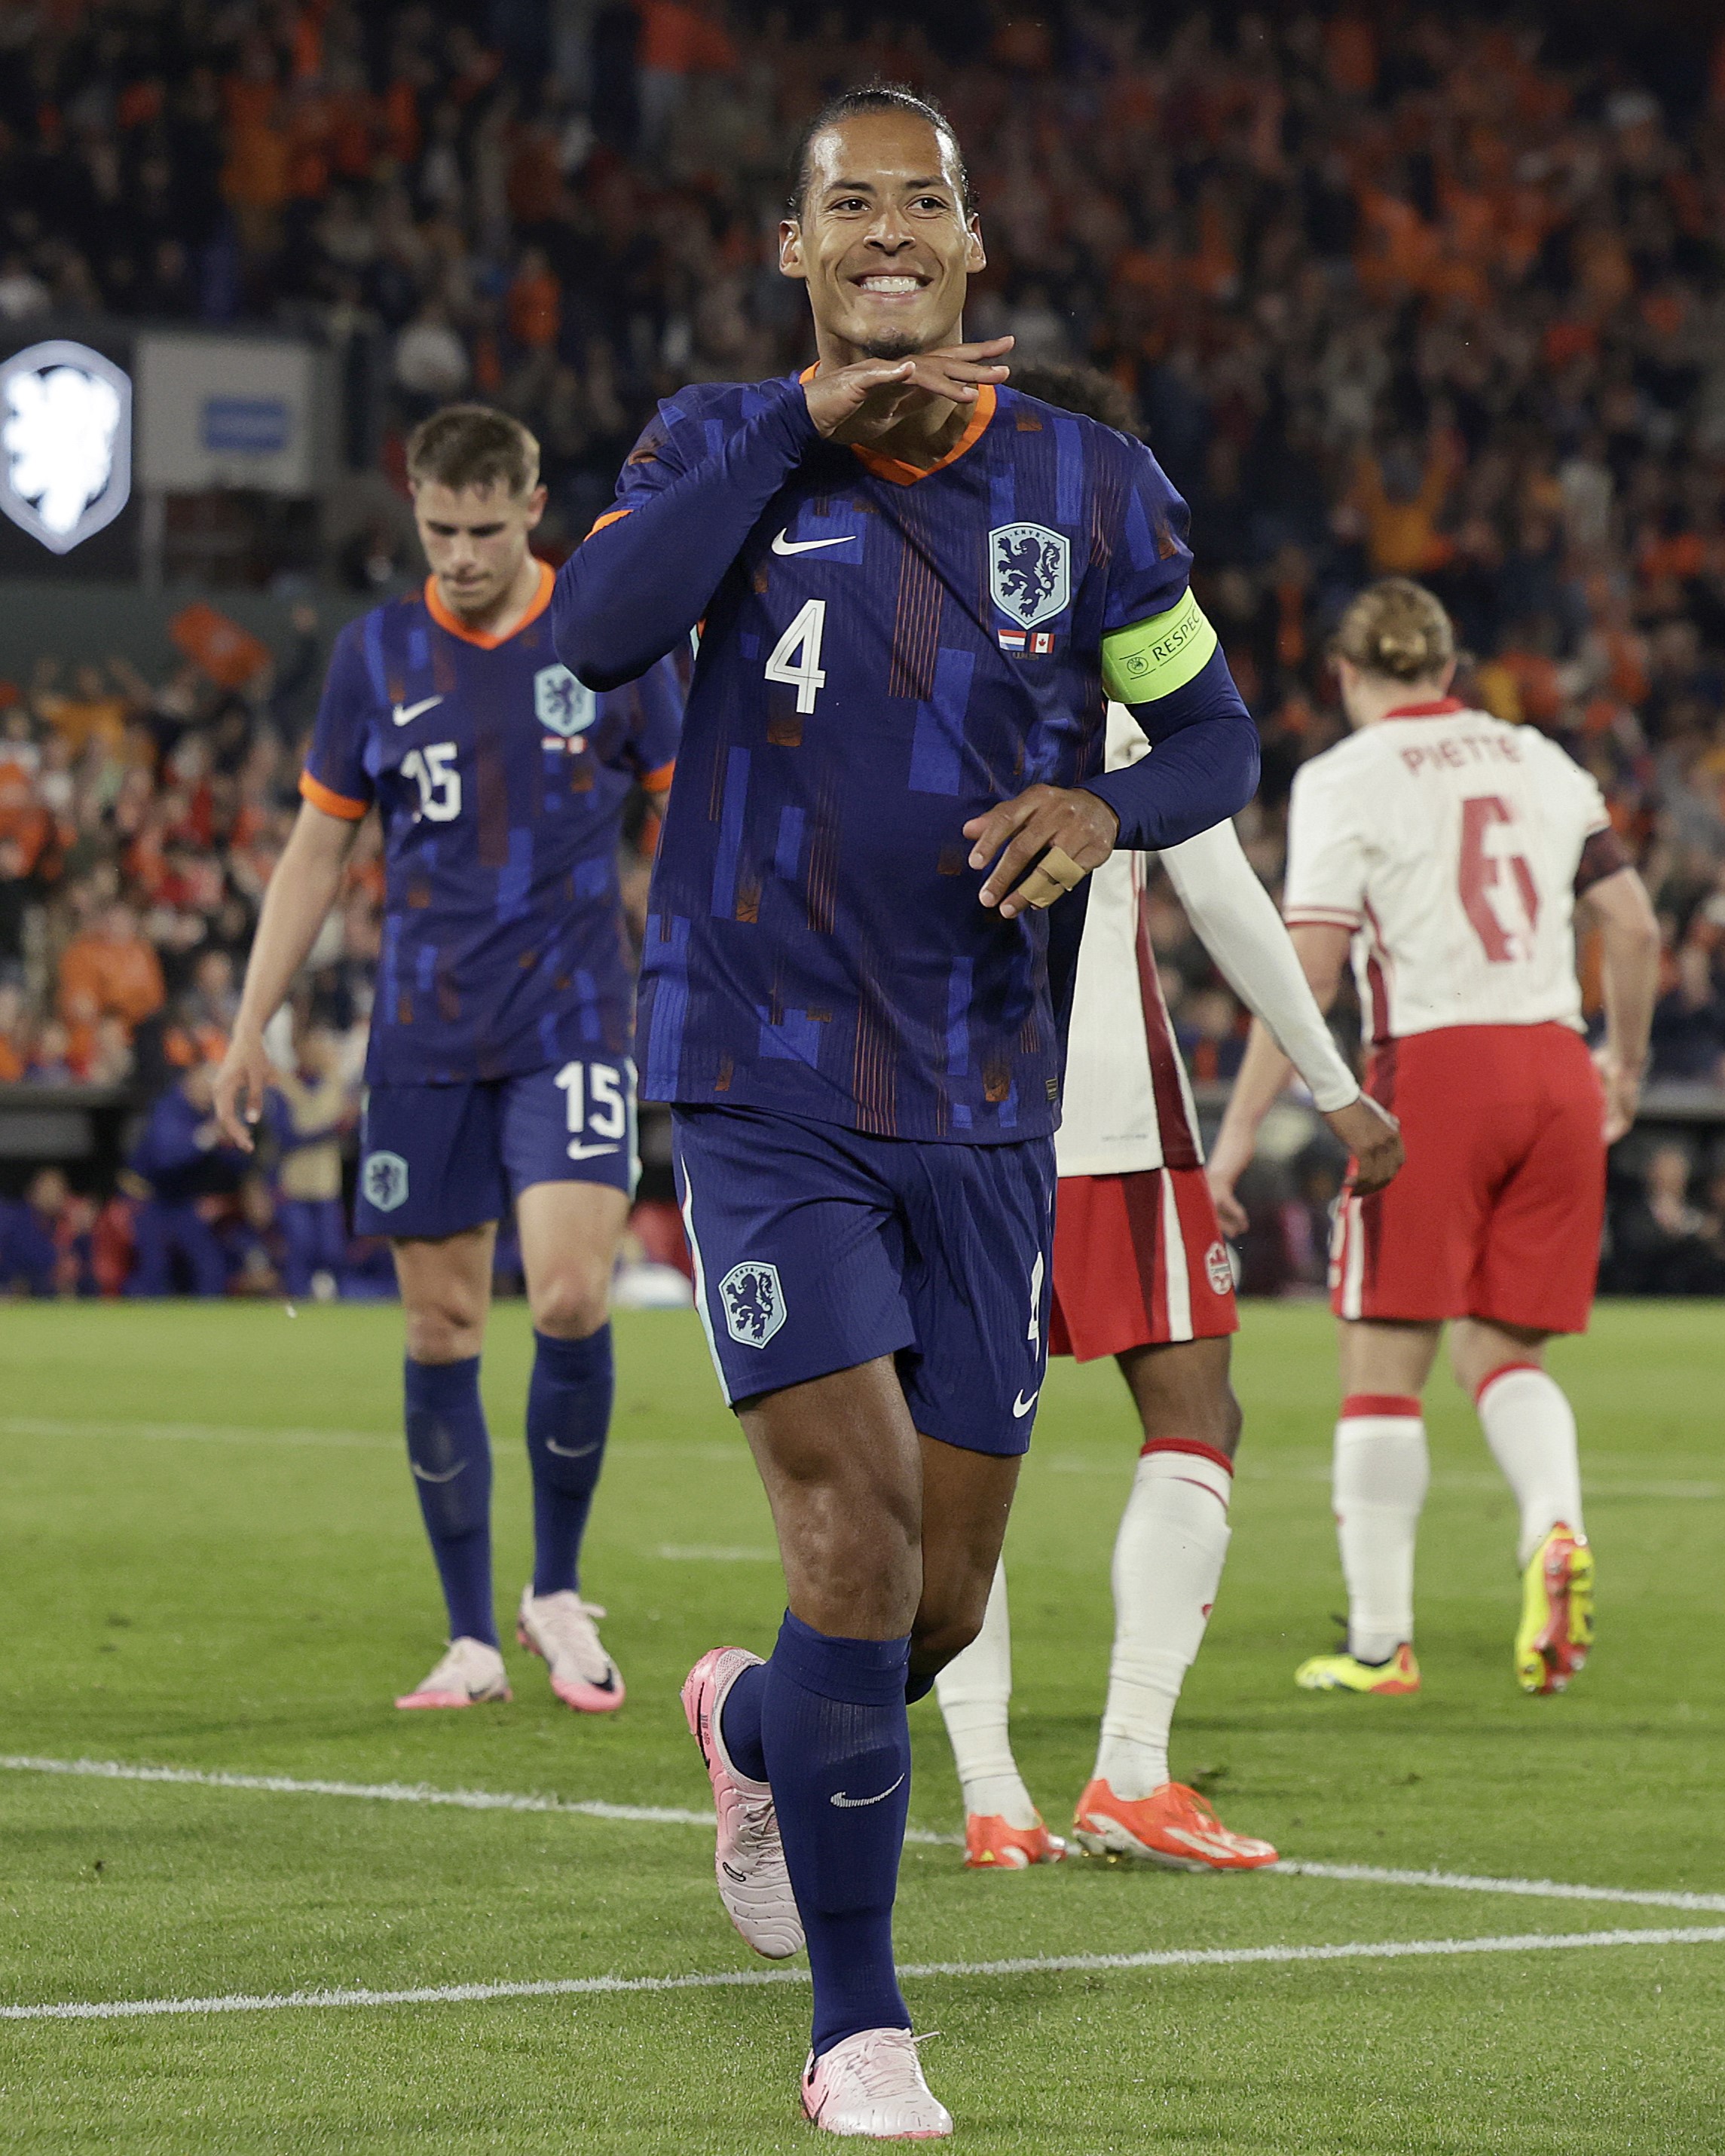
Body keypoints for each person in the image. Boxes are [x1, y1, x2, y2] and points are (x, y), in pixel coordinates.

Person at [555, 87, 1260, 2141]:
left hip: (979, 1095)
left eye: (918, 202)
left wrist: (1106, 801)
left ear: (970, 249)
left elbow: (1214, 726)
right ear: (799, 253)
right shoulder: (711, 441)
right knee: (853, 1540)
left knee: (932, 1602)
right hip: (761, 1073)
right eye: (843, 203)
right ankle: (860, 2023)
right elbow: (594, 639)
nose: (882, 226)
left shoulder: (1092, 486)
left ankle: (752, 1722)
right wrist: (799, 421)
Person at [929, 365, 1403, 1875]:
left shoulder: (922, 616)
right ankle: (1127, 1762)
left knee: (951, 1443)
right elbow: (1216, 881)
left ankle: (995, 1791)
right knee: (1192, 1413)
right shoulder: (1112, 638)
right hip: (1103, 1109)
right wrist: (1332, 1086)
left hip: (935, 1096)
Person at [216, 403, 681, 1717]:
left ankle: (557, 1590)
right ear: (413, 511)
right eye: (439, 529)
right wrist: (251, 1021)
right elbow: (318, 850)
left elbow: (688, 814)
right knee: (439, 1323)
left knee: (575, 1295)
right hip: (422, 1030)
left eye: (484, 527)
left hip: (572, 1016)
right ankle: (471, 1635)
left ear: (531, 506)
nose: (462, 552)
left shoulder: (606, 641)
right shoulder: (376, 655)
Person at [1207, 578, 1660, 1698]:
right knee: (1505, 1350)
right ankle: (1552, 1528)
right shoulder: (1538, 758)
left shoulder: (1342, 776)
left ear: (1349, 677)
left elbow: (1308, 974)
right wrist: (1627, 1066)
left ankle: (1378, 1642)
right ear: (1452, 670)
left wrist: (1234, 1141)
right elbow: (1636, 925)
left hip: (1436, 1071)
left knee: (1382, 1358)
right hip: (1556, 1063)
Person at [124, 1063, 247, 1296]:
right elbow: (166, 1159)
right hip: (148, 1200)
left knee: (210, 1265)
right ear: (189, 1081)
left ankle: (208, 1327)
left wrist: (232, 1142)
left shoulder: (210, 1113)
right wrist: (207, 1136)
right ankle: (139, 1326)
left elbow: (238, 1167)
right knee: (153, 1268)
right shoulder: (167, 1108)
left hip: (182, 1203)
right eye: (205, 1088)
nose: (209, 1095)